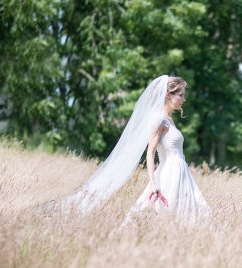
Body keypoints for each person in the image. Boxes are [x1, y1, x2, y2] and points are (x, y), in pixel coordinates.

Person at [56, 75, 211, 223]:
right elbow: (150, 153)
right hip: (169, 172)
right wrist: (152, 183)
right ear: (169, 95)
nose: (184, 99)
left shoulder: (170, 120)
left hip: (181, 172)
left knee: (195, 211)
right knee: (168, 212)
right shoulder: (160, 120)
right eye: (181, 95)